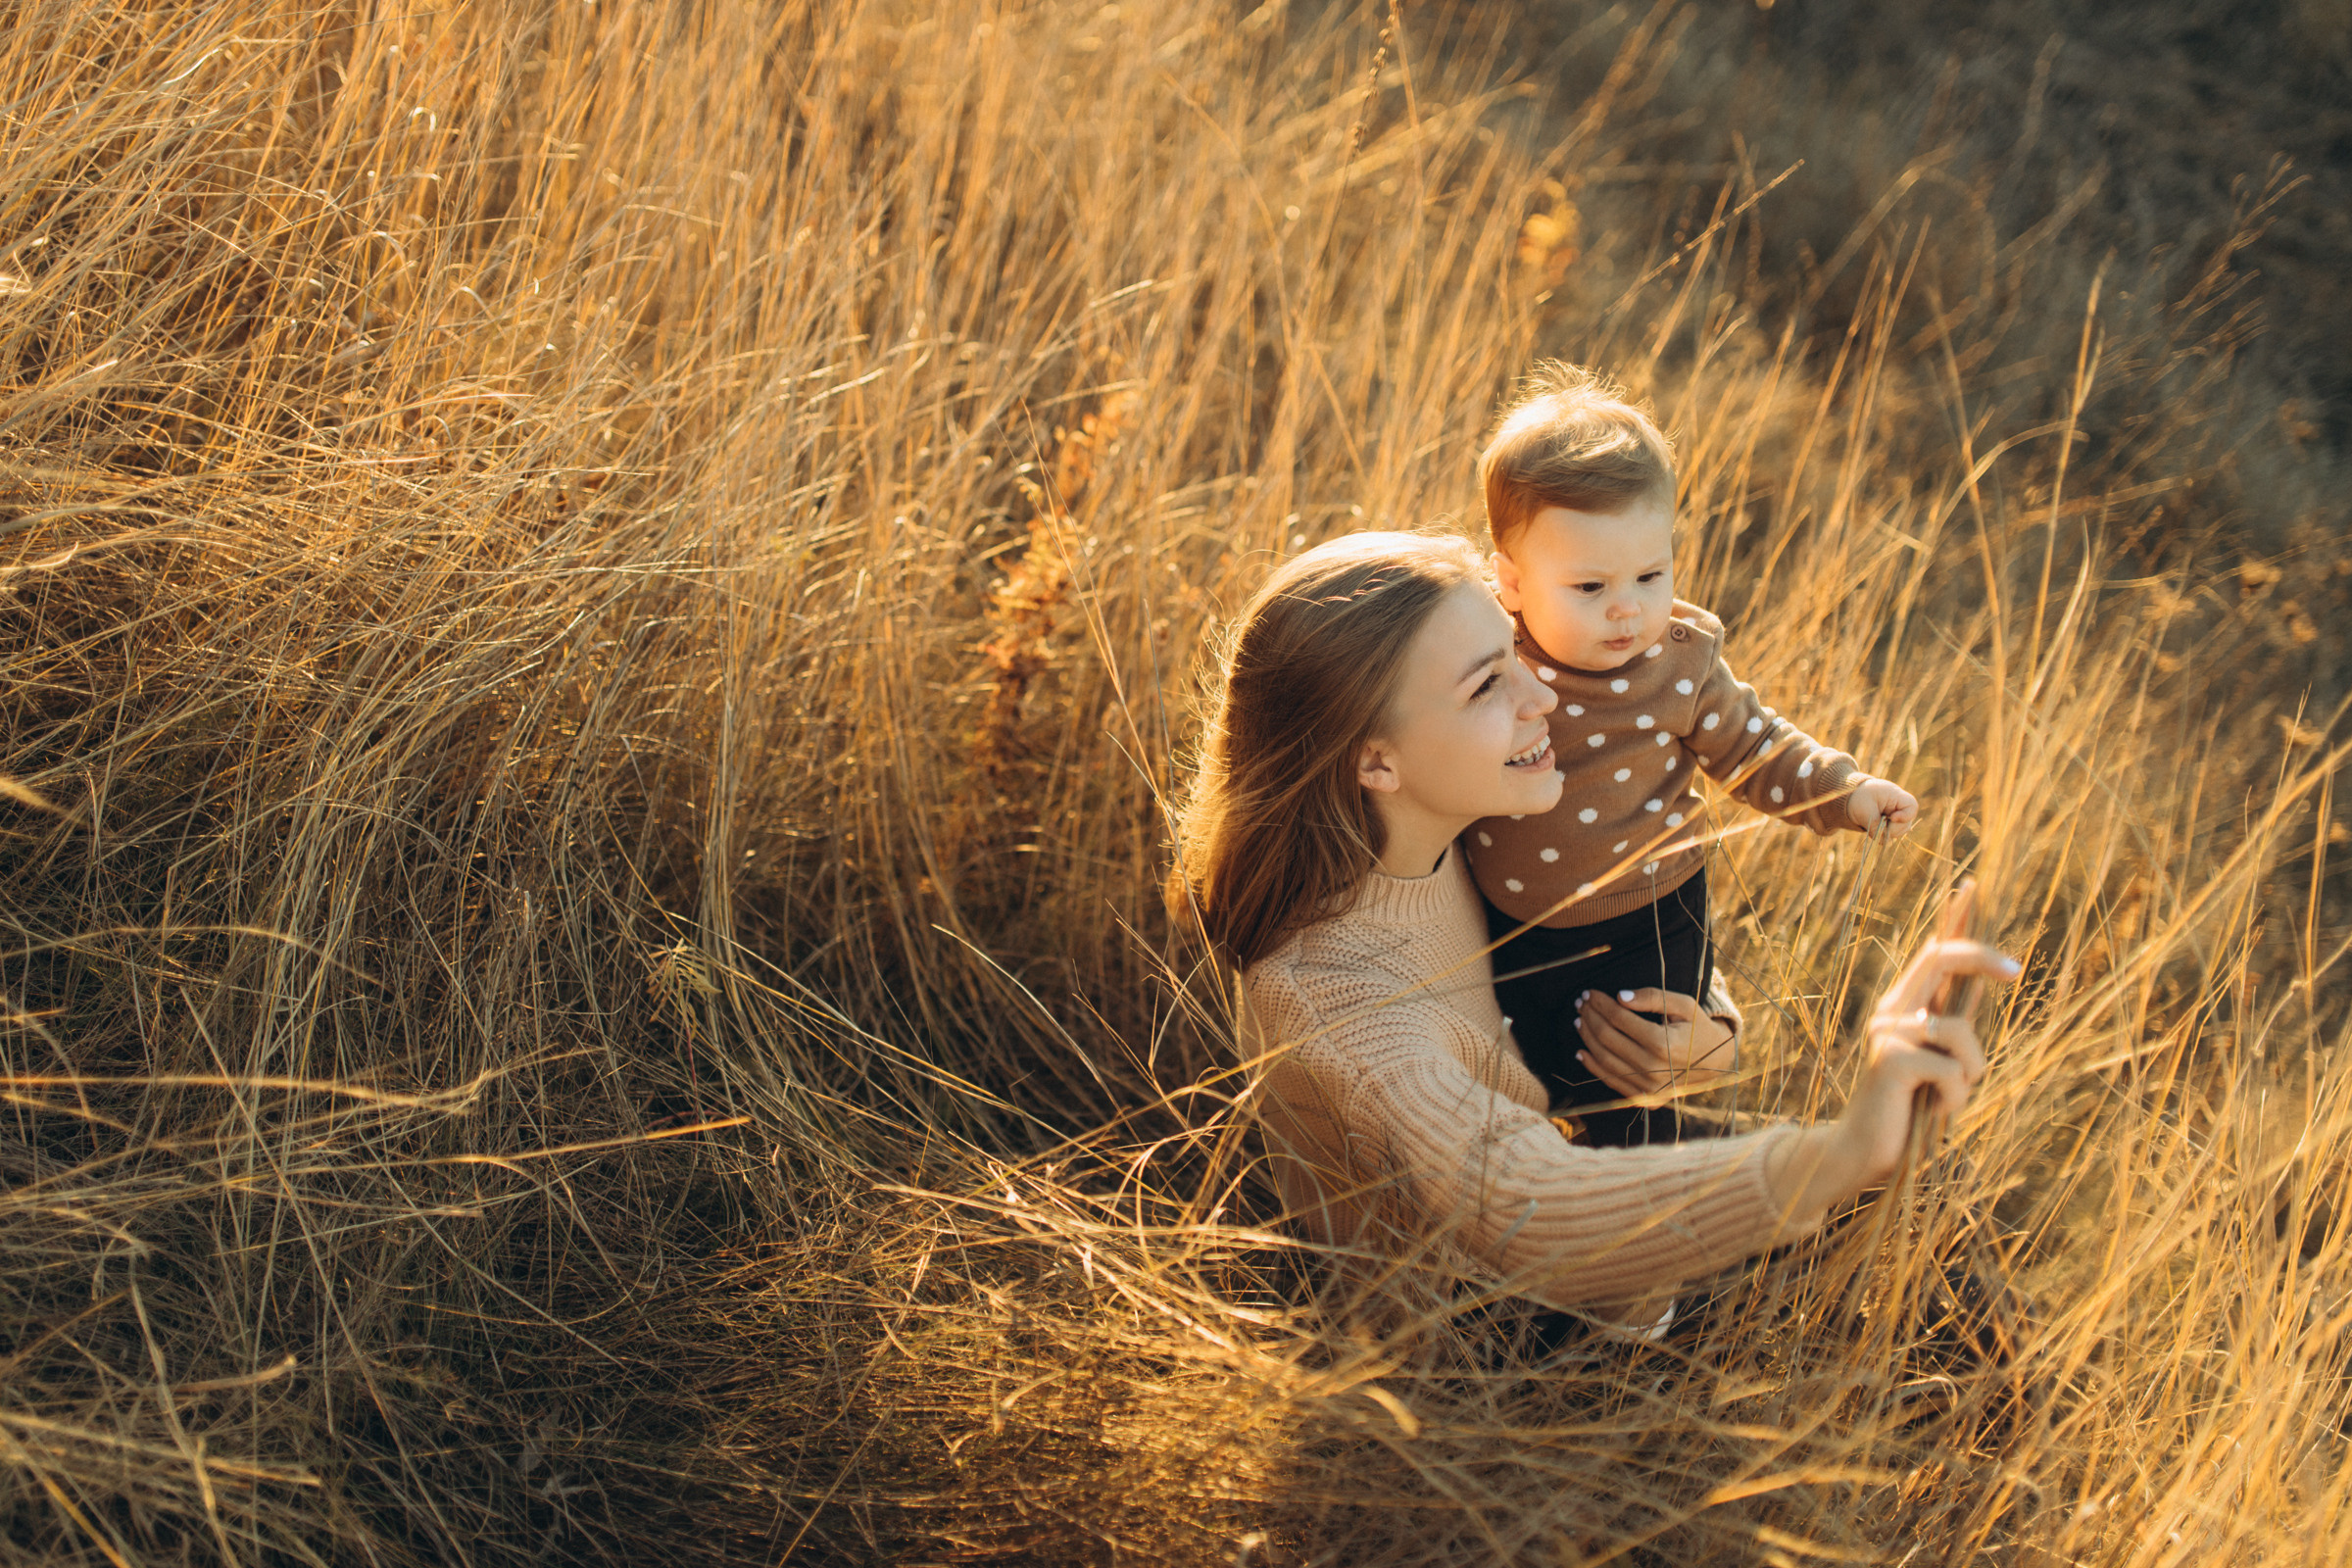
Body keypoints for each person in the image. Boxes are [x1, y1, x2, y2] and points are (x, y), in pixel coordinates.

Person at [1164, 530, 2014, 1329]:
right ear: (1375, 761)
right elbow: (1530, 1205)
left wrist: (1705, 1038)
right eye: (1488, 684)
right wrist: (1840, 1154)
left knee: (1932, 1206)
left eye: (1515, 653)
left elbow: (1623, 932)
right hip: (1491, 1345)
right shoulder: (1335, 1001)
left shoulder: (1463, 829)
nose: (1544, 697)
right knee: (1899, 1219)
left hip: (1580, 1168)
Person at [1464, 364, 1921, 1146]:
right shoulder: (1486, 655)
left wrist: (1844, 793)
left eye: (1651, 574)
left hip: (1655, 911)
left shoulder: (1679, 663)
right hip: (1514, 922)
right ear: (1510, 581)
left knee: (1641, 1069)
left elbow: (1754, 748)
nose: (1627, 607)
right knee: (1540, 1067)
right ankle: (1558, 1162)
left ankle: (1653, 1166)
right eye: (1589, 586)